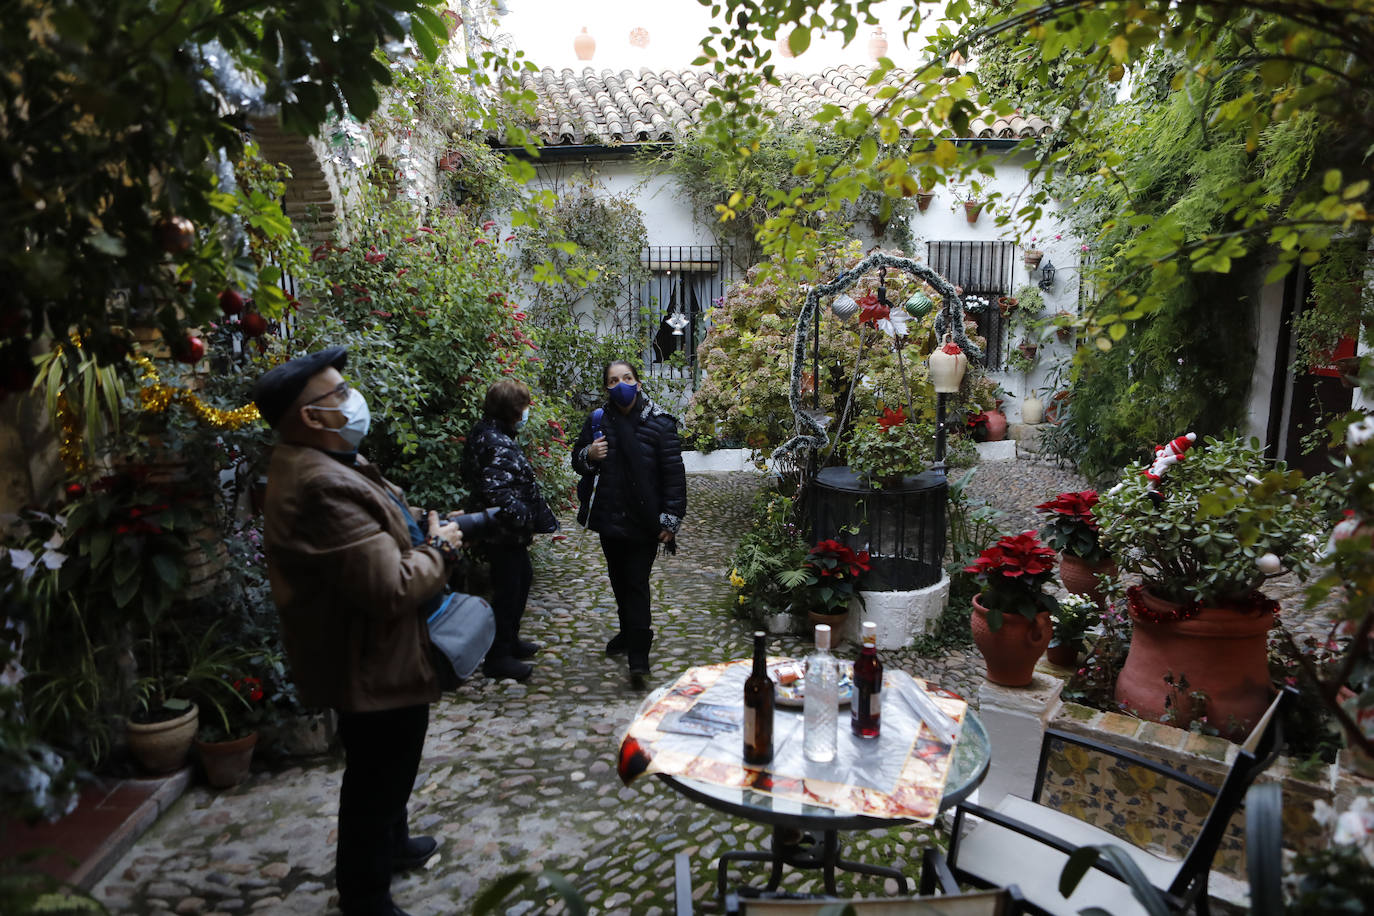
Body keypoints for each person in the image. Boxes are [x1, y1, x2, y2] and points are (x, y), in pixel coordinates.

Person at [253, 347, 459, 916]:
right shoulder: (319, 482)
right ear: (310, 416)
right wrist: (440, 550)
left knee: (389, 764)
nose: (352, 399)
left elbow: (376, 534)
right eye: (338, 393)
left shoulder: (328, 460)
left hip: (373, 649)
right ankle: (365, 896)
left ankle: (392, 846)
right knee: (377, 775)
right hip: (368, 654)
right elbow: (389, 587)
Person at [571, 359, 686, 683]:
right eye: (612, 380)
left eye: (627, 378)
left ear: (637, 381)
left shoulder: (661, 424)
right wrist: (588, 455)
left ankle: (639, 656)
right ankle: (627, 633)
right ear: (606, 387)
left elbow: (674, 477)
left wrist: (671, 518)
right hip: (609, 517)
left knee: (636, 585)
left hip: (643, 521)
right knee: (619, 582)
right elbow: (578, 461)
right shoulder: (597, 421)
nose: (620, 384)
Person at [461, 379, 558, 682]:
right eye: (525, 406)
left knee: (521, 580)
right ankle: (498, 656)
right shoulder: (495, 442)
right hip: (503, 533)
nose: (527, 411)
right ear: (513, 410)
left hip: (503, 531)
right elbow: (498, 493)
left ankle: (510, 641)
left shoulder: (489, 432)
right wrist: (525, 517)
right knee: (507, 590)